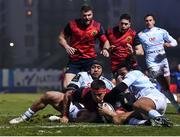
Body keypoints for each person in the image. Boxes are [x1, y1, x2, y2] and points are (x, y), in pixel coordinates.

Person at [9, 60, 114, 124]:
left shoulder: (107, 83)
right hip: (73, 104)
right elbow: (69, 91)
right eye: (93, 67)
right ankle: (24, 117)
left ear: (102, 70)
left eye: (98, 68)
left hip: (91, 110)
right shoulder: (82, 75)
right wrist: (65, 114)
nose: (95, 70)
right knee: (49, 94)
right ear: (89, 69)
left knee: (91, 116)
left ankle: (62, 119)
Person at [98, 61, 173, 127]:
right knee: (118, 119)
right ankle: (147, 123)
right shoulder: (132, 88)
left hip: (155, 98)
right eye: (119, 75)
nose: (122, 76)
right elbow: (129, 107)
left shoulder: (134, 73)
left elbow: (120, 88)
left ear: (130, 70)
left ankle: (159, 118)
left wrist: (105, 98)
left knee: (137, 104)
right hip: (148, 107)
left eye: (123, 73)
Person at [58, 5, 110, 89]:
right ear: (81, 15)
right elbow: (61, 38)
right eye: (84, 15)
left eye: (89, 15)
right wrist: (66, 46)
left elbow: (106, 41)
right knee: (66, 86)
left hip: (90, 60)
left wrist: (105, 49)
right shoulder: (72, 25)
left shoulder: (97, 26)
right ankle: (69, 101)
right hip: (74, 60)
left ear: (92, 14)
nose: (87, 17)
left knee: (96, 86)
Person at [137, 14, 180, 113]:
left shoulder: (161, 31)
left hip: (164, 63)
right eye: (146, 20)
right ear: (145, 22)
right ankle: (148, 100)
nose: (148, 22)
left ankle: (176, 107)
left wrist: (169, 44)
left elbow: (174, 42)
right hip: (152, 64)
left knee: (166, 88)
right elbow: (137, 47)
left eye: (150, 20)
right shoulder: (141, 35)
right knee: (158, 83)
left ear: (154, 21)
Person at [60, 79, 136, 124]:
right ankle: (63, 117)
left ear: (105, 92)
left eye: (99, 95)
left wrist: (109, 113)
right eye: (94, 94)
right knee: (51, 95)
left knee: (95, 116)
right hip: (79, 108)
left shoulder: (113, 96)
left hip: (93, 113)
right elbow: (68, 94)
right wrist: (65, 115)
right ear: (91, 91)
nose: (97, 97)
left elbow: (122, 115)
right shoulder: (84, 92)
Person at [106, 13, 144, 84]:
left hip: (131, 64)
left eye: (126, 24)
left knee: (141, 82)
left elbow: (141, 52)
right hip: (116, 66)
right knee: (118, 84)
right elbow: (103, 46)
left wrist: (133, 51)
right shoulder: (109, 32)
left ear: (130, 24)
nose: (123, 26)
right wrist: (107, 49)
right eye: (122, 23)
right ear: (119, 23)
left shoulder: (133, 34)